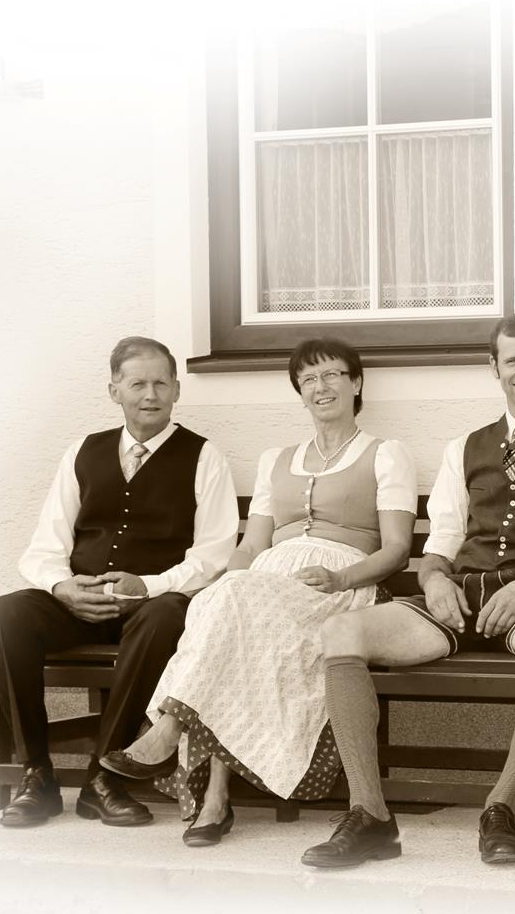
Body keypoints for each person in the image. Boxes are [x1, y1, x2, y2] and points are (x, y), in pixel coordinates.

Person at [300, 312, 515, 869]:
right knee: (340, 629)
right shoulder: (463, 447)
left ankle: (501, 807)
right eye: (511, 361)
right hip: (462, 597)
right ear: (494, 368)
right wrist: (435, 579)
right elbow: (440, 544)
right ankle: (370, 815)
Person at [100, 338, 414, 845]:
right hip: (265, 584)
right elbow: (251, 547)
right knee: (226, 609)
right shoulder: (277, 459)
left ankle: (178, 743)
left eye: (332, 375)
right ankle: (210, 790)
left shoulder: (385, 455)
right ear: (299, 392)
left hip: (339, 583)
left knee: (238, 613)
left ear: (356, 383)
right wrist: (222, 589)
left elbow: (397, 550)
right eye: (308, 379)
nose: (321, 387)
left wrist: (341, 578)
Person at [0, 337, 238, 828]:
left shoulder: (204, 457)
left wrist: (148, 586)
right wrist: (63, 588)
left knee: (164, 618)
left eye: (161, 383)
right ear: (114, 390)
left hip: (152, 608)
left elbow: (213, 555)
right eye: (137, 384)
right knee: (0, 618)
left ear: (177, 390)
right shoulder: (83, 452)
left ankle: (103, 780)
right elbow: (45, 545)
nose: (150, 395)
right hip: (80, 602)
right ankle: (37, 774)